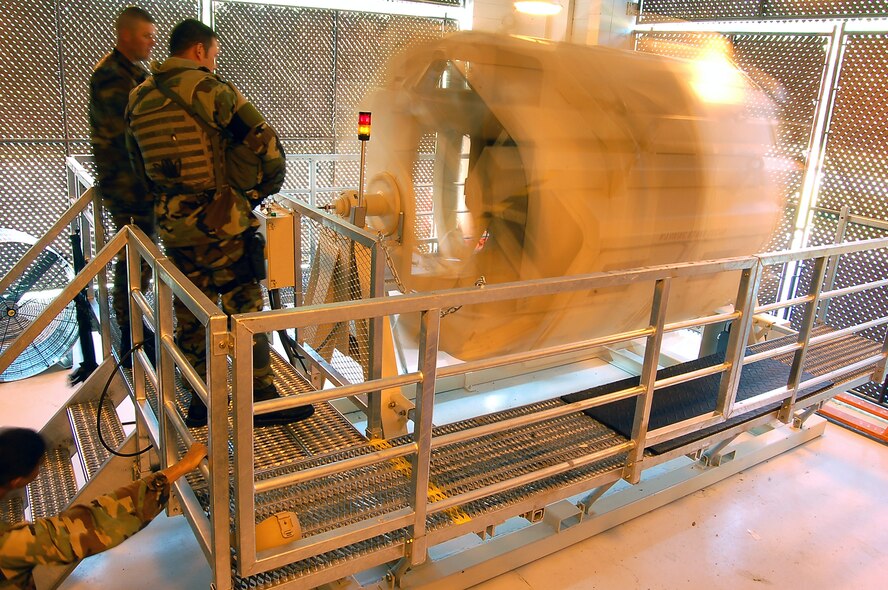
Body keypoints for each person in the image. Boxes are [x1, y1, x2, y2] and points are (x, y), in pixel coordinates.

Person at [125, 19, 313, 428]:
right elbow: (268, 145)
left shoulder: (137, 98)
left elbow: (138, 167)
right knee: (244, 308)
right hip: (224, 224)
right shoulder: (211, 90)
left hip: (175, 229)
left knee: (192, 314)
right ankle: (259, 396)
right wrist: (252, 195)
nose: (213, 60)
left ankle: (201, 398)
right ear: (198, 51)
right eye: (213, 53)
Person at [0, 427, 207, 590]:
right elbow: (94, 524)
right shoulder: (9, 544)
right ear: (18, 481)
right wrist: (182, 467)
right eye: (39, 464)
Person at [88, 6, 158, 367]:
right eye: (146, 34)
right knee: (134, 260)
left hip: (132, 183)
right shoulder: (114, 76)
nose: (152, 40)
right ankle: (132, 332)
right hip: (128, 185)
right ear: (126, 35)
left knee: (138, 260)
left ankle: (134, 326)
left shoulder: (127, 72)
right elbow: (127, 138)